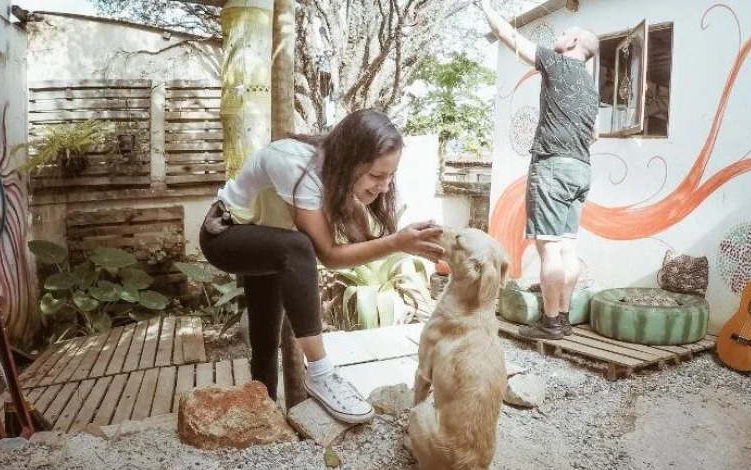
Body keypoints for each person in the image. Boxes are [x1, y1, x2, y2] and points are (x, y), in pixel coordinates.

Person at [200, 109, 444, 423]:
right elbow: (328, 254)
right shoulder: (296, 165)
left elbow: (341, 248)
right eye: (376, 176)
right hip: (224, 236)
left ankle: (263, 418)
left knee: (266, 345)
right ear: (350, 159)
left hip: (268, 242)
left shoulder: (331, 172)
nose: (384, 186)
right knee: (298, 247)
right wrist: (396, 243)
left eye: (389, 176)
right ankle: (320, 372)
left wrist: (397, 239)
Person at [480, 0, 600, 340]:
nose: (559, 36)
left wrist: (485, 7)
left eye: (565, 33)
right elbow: (595, 134)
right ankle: (563, 318)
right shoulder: (591, 87)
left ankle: (550, 323)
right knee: (567, 247)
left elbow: (508, 35)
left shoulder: (556, 62)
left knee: (549, 249)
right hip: (581, 169)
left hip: (552, 167)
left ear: (573, 42)